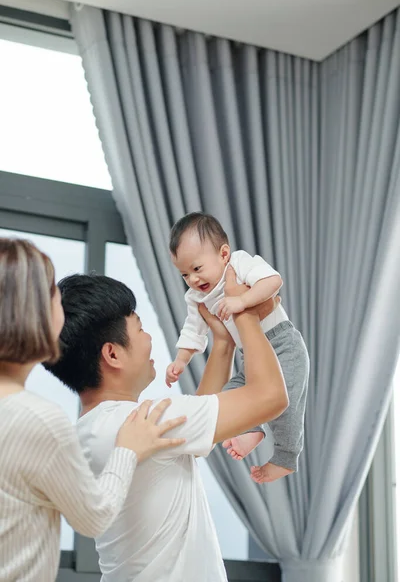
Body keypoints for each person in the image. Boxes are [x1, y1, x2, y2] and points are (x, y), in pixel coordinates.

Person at [44, 267, 287, 582]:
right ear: (112, 354)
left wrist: (223, 344)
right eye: (140, 328)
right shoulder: (139, 421)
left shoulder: (94, 429)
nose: (148, 338)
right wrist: (244, 311)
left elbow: (200, 427)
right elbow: (270, 397)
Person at [0, 238, 187, 582]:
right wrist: (127, 450)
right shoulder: (38, 419)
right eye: (52, 292)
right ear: (33, 311)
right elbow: (94, 517)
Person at [167, 212, 309, 483]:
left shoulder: (239, 263)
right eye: (184, 274)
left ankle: (286, 456)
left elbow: (272, 282)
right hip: (248, 355)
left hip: (282, 343)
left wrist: (242, 303)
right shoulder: (196, 295)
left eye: (197, 269)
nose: (193, 280)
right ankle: (252, 428)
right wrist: (181, 360)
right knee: (229, 396)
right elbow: (193, 330)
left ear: (223, 254)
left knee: (287, 405)